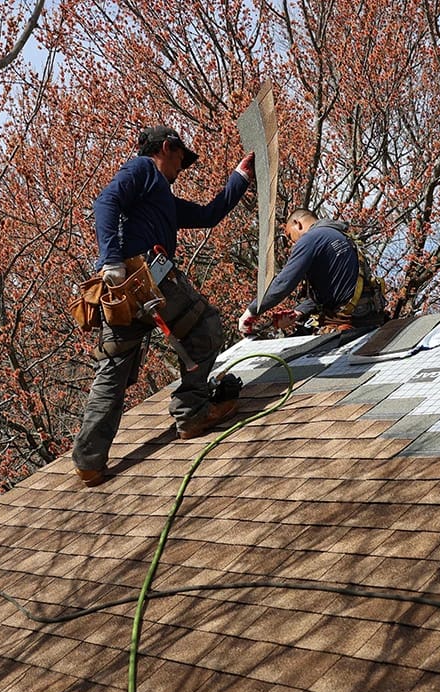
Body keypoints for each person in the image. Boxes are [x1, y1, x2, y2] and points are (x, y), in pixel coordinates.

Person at [72, 126, 254, 487]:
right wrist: (112, 259)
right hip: (145, 277)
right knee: (205, 326)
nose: (181, 169)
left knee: (114, 368)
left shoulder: (160, 200)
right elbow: (105, 202)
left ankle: (89, 461)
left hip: (123, 294)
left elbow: (208, 215)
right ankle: (192, 412)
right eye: (181, 160)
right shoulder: (143, 169)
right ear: (167, 147)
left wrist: (240, 178)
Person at [237, 208, 387, 336]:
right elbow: (338, 290)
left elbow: (284, 282)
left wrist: (253, 310)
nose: (292, 242)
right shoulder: (342, 236)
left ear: (297, 223)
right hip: (368, 316)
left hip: (349, 321)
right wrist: (299, 312)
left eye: (290, 236)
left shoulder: (310, 238)